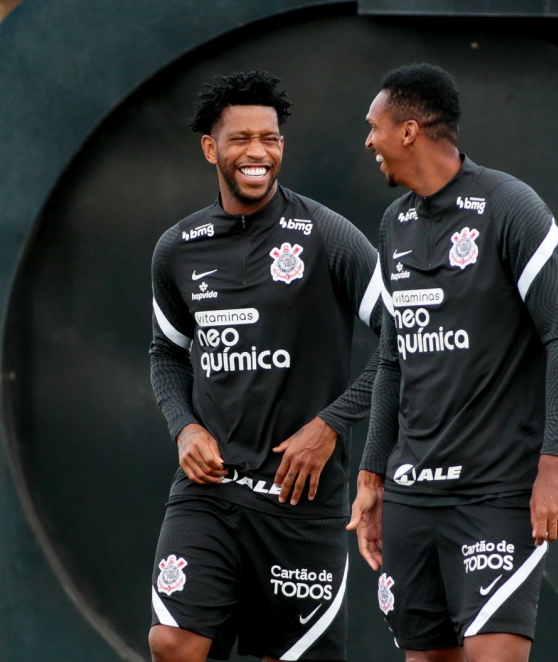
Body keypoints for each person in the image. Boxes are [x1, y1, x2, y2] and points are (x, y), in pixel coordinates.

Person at [347, 63, 558, 662]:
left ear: (408, 131)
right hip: (411, 496)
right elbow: (393, 360)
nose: (367, 140)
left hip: (496, 495)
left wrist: (553, 465)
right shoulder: (394, 223)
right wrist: (373, 477)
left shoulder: (512, 207)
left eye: (373, 127)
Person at [148, 70, 382, 662]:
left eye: (270, 138)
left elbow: (408, 338)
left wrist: (330, 425)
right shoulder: (178, 248)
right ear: (211, 149)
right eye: (241, 139)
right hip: (209, 491)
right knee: (173, 643)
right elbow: (167, 354)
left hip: (298, 501)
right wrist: (185, 427)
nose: (258, 152)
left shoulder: (327, 235)